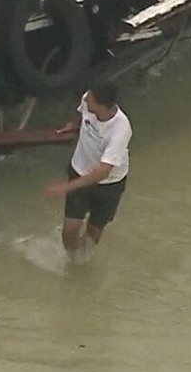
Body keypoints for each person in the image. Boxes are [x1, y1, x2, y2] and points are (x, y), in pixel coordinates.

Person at [45, 81, 131, 261]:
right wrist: (74, 125)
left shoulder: (120, 129)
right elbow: (82, 114)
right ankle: (73, 261)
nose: (85, 99)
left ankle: (86, 261)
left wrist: (65, 188)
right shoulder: (88, 102)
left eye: (90, 99)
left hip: (109, 184)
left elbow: (103, 171)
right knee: (70, 229)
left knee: (93, 232)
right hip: (79, 169)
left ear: (101, 106)